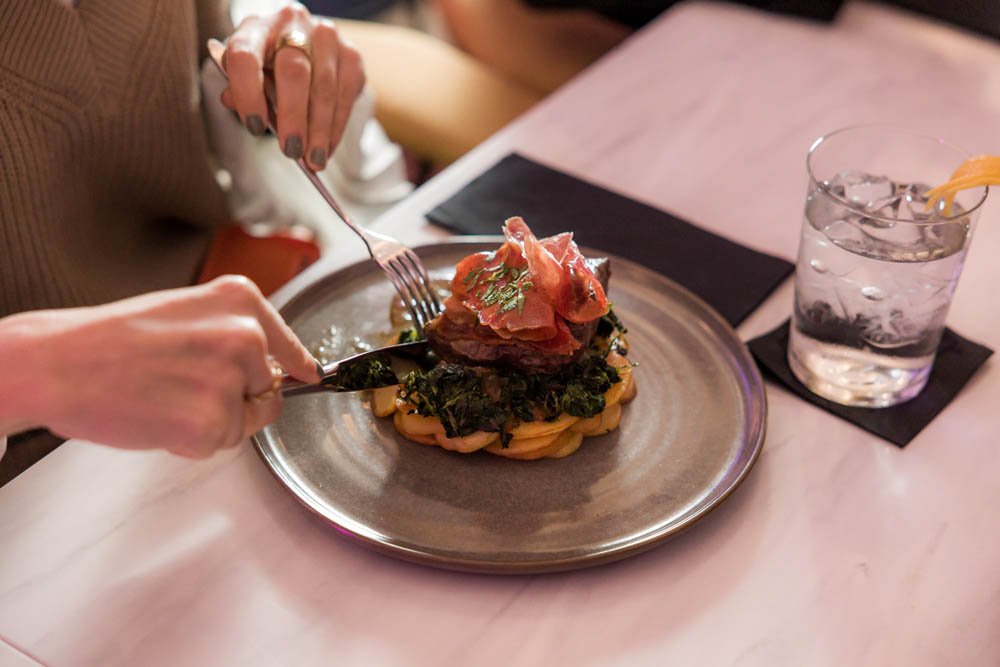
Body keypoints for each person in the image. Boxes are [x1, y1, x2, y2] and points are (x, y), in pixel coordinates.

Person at [0, 0, 364, 481]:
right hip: (38, 472)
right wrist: (30, 372)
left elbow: (195, 74)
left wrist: (267, 66)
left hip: (228, 322)